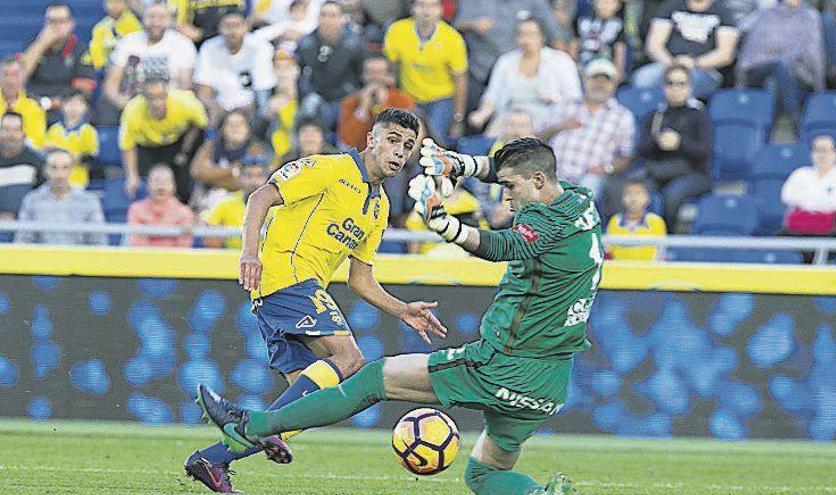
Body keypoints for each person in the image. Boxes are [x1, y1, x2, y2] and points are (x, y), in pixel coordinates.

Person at [195, 136, 603, 495]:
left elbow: (502, 247)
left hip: (507, 363)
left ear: (536, 181)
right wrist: (457, 164)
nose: (506, 198)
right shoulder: (578, 200)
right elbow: (506, 170)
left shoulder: (543, 225)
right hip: (549, 384)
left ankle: (251, 426)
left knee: (370, 377)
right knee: (484, 476)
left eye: (510, 188)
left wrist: (445, 224)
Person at [183, 109, 447, 493]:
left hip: (288, 292)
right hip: (284, 274)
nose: (399, 151)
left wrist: (402, 309)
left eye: (408, 146)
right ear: (371, 139)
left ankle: (211, 460)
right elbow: (260, 197)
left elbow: (361, 280)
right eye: (392, 140)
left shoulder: (379, 208)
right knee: (350, 359)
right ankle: (244, 422)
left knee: (305, 409)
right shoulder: (330, 168)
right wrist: (249, 253)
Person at [538, 58, 635, 202]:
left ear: (614, 85)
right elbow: (537, 138)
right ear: (585, 80)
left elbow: (627, 156)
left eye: (606, 80)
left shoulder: (622, 116)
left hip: (589, 177)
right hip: (553, 172)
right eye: (595, 79)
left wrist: (607, 168)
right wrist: (559, 126)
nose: (600, 85)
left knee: (582, 197)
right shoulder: (564, 105)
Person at [469, 18, 582, 135]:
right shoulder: (506, 61)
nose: (525, 39)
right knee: (491, 138)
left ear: (542, 37)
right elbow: (492, 96)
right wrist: (481, 115)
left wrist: (554, 98)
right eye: (521, 34)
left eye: (531, 35)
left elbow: (574, 97)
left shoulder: (560, 60)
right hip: (510, 117)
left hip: (548, 120)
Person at [635, 64, 712, 229]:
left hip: (694, 173)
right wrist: (658, 142)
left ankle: (666, 241)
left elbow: (705, 151)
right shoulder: (655, 116)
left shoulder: (699, 116)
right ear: (663, 87)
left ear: (690, 87)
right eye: (670, 83)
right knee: (636, 192)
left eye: (681, 83)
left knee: (673, 195)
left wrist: (680, 143)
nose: (675, 88)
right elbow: (641, 149)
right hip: (659, 173)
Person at [454, 0, 567, 111]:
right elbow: (455, 26)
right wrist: (473, 24)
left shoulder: (535, 2)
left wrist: (563, 66)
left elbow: (555, 35)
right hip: (478, 71)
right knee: (475, 117)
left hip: (514, 73)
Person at [384, 0, 468, 144]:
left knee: (434, 141)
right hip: (410, 96)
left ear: (440, 10)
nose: (426, 11)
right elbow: (390, 69)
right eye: (421, 5)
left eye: (432, 5)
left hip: (441, 98)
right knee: (404, 138)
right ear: (412, 8)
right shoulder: (397, 30)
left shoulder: (453, 38)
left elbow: (460, 82)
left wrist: (458, 119)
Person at [99, 3, 197, 125]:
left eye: (162, 17)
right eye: (151, 17)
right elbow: (111, 82)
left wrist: (169, 106)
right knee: (106, 104)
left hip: (169, 103)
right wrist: (118, 99)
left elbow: (185, 85)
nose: (156, 22)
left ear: (170, 20)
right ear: (143, 19)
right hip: (132, 101)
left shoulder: (183, 44)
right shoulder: (128, 41)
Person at [119, 77, 208, 202]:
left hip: (177, 141)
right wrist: (132, 176)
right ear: (143, 98)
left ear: (167, 95)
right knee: (148, 184)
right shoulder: (132, 111)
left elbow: (200, 125)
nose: (156, 103)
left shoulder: (186, 103)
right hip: (147, 146)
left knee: (183, 180)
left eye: (161, 97)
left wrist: (185, 149)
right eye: (151, 98)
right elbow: (127, 145)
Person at [736, 0, 824, 120]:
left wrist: (819, 86)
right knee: (777, 68)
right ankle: (795, 123)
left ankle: (765, 130)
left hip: (795, 73)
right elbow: (752, 51)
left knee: (774, 81)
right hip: (762, 70)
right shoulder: (767, 15)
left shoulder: (809, 17)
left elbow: (813, 54)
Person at [632, 0, 739, 98]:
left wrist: (694, 63)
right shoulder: (671, 6)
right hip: (668, 64)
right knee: (642, 78)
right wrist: (673, 63)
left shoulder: (723, 12)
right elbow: (653, 45)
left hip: (705, 70)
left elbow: (726, 54)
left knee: (682, 85)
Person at [295, 1, 368, 132]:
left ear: (342, 19)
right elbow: (297, 74)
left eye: (333, 16)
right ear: (317, 18)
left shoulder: (355, 44)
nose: (328, 21)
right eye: (323, 15)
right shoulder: (306, 44)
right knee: (309, 104)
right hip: (316, 97)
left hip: (345, 98)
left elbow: (363, 76)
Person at [194, 9, 277, 123]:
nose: (232, 31)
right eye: (227, 26)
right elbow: (204, 89)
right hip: (220, 107)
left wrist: (240, 112)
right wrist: (212, 106)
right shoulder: (209, 47)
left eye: (237, 26)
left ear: (246, 27)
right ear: (219, 28)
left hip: (252, 106)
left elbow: (263, 89)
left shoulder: (260, 47)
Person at [15, 149, 105, 246]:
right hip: (43, 259)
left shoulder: (89, 201)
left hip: (78, 259)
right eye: (54, 168)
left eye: (65, 168)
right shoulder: (31, 200)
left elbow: (98, 242)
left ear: (72, 170)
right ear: (46, 170)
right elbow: (23, 241)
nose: (59, 174)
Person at [20, 2, 97, 111]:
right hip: (34, 104)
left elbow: (85, 89)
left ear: (71, 24)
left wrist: (52, 103)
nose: (55, 27)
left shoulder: (80, 50)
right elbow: (18, 77)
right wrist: (41, 45)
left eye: (61, 21)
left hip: (66, 107)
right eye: (51, 22)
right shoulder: (34, 47)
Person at [781, 135, 836, 240]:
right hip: (800, 230)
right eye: (817, 150)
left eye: (826, 150)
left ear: (835, 153)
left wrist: (808, 201)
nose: (821, 155)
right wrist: (822, 198)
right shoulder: (800, 173)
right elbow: (787, 196)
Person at [338, 56, 415, 150]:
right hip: (362, 157)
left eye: (379, 72)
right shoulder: (351, 102)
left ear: (389, 77)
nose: (375, 77)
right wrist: (363, 109)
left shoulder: (402, 99)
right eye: (370, 72)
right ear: (363, 76)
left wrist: (384, 106)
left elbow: (403, 137)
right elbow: (348, 142)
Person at [201, 159, 271, 249]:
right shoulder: (227, 203)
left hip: (268, 260)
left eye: (259, 176)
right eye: (249, 176)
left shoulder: (277, 206)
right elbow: (205, 223)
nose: (254, 181)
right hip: (233, 259)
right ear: (241, 177)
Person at [127, 164, 196, 248]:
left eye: (166, 181)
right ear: (148, 185)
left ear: (173, 187)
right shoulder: (135, 210)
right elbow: (136, 244)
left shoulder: (185, 212)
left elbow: (184, 249)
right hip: (144, 258)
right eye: (157, 181)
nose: (161, 186)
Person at [45, 89, 99, 188]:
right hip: (52, 181)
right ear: (62, 106)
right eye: (69, 103)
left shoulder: (88, 131)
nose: (74, 108)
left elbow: (89, 157)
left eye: (78, 104)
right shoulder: (54, 129)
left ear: (86, 107)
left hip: (77, 181)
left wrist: (63, 152)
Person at [605, 178, 666, 260]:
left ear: (647, 198)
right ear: (622, 199)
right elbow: (608, 252)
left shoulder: (656, 221)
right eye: (628, 193)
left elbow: (660, 254)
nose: (633, 198)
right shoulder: (615, 221)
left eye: (638, 193)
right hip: (619, 271)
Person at [0, 113, 45, 222]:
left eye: (16, 130)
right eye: (6, 129)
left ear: (23, 132)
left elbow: (44, 198)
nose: (11, 135)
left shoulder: (37, 161)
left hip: (27, 225)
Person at [570, 0, 627, 78]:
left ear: (618, 5)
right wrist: (572, 67)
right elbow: (574, 45)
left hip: (606, 66)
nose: (605, 6)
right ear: (594, 3)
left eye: (609, 3)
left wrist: (618, 75)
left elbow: (619, 52)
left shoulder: (618, 25)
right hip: (583, 64)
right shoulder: (582, 22)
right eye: (601, 2)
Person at [0, 58, 47, 149]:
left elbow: (37, 141)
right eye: (6, 74)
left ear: (23, 77)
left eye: (15, 75)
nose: (11, 80)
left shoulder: (34, 107)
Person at [89, 0, 143, 71]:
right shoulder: (99, 27)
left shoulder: (136, 25)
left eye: (118, 2)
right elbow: (95, 50)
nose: (114, 6)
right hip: (105, 69)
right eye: (110, 2)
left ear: (126, 5)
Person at [266, 53, 301, 158]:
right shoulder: (266, 102)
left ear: (297, 71)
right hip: (275, 161)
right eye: (278, 68)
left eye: (287, 68)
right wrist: (267, 116)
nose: (282, 74)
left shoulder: (308, 100)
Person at [170, 0, 247, 46]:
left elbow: (246, 23)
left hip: (232, 45)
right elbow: (178, 25)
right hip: (200, 46)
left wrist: (203, 34)